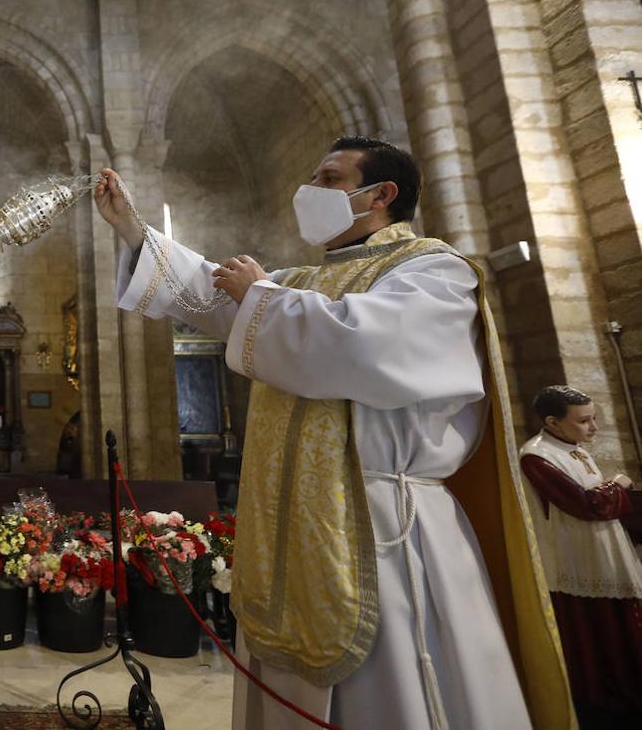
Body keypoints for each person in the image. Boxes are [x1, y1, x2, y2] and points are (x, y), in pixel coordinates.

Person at [95, 136, 573, 730]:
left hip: (384, 528)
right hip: (293, 522)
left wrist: (262, 296)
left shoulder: (434, 271)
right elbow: (207, 295)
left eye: (328, 178)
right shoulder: (300, 280)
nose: (310, 191)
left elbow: (367, 346)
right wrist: (134, 229)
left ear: (381, 195)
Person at [520, 385, 642, 725]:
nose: (594, 428)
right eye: (584, 421)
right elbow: (587, 504)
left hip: (602, 552)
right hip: (576, 560)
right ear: (552, 422)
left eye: (593, 419)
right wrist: (619, 484)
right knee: (599, 636)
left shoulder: (575, 449)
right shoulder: (536, 456)